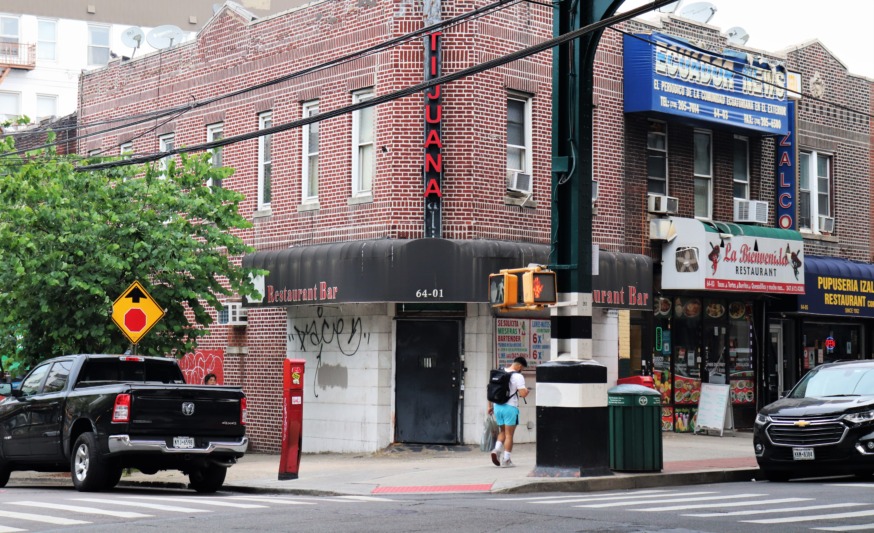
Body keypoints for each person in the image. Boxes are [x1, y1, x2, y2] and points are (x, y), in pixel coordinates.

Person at [488, 356, 529, 468]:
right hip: (510, 407)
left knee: (502, 431)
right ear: (520, 366)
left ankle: (496, 450)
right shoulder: (518, 376)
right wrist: (526, 391)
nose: (522, 370)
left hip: (497, 406)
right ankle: (506, 460)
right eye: (523, 368)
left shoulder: (499, 372)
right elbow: (523, 394)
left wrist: (489, 406)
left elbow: (490, 389)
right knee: (509, 434)